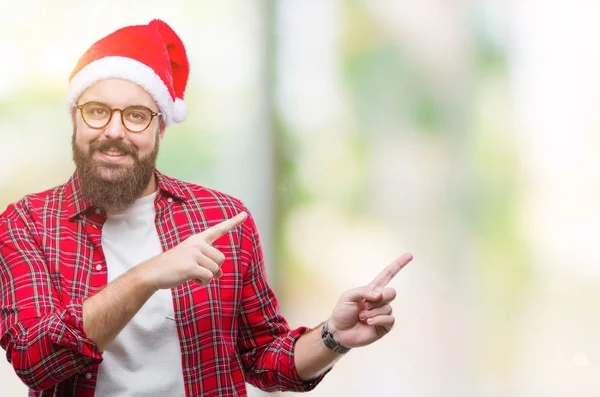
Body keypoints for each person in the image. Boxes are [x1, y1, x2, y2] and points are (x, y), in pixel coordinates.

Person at [0, 19, 413, 397]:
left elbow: (266, 360)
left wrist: (334, 336)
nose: (113, 130)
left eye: (137, 116)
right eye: (96, 111)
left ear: (162, 126)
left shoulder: (222, 218)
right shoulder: (27, 224)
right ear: (74, 118)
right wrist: (147, 276)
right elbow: (35, 360)